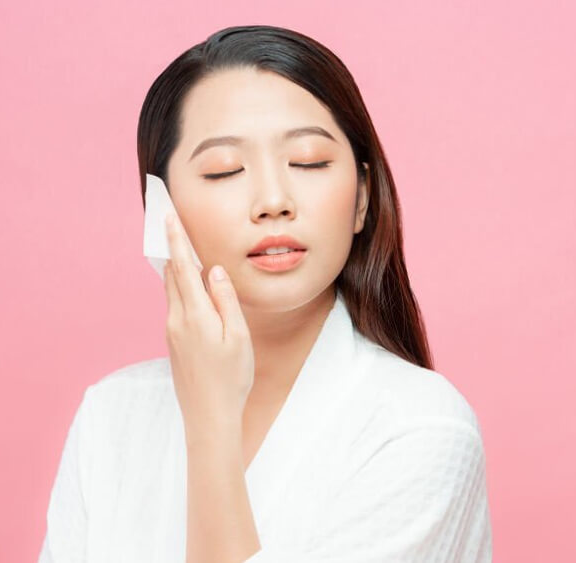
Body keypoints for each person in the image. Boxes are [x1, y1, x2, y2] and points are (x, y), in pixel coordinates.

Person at [38, 24, 492, 563]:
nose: (273, 200)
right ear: (161, 211)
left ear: (363, 198)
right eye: (224, 170)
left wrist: (211, 426)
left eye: (308, 162)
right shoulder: (111, 415)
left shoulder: (420, 429)